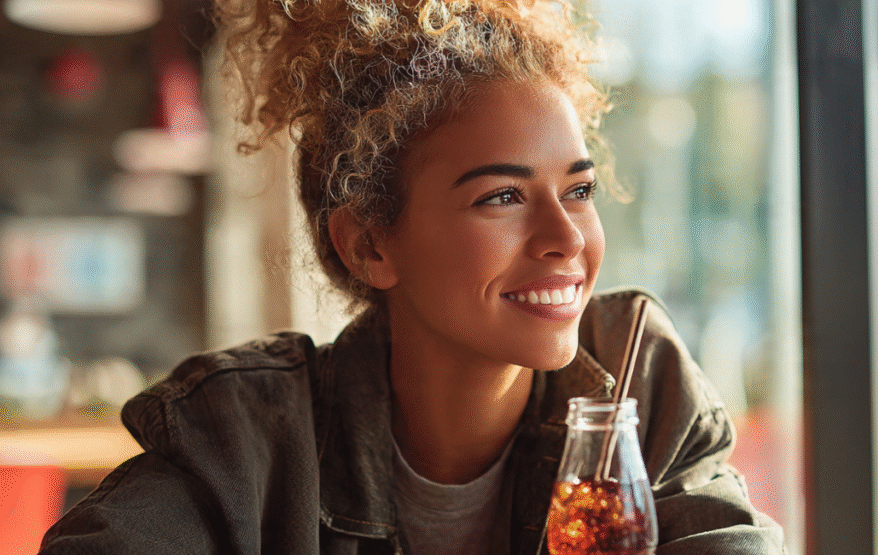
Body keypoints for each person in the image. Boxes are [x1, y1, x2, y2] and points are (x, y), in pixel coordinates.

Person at [40, 0, 785, 553]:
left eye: (579, 190)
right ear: (369, 245)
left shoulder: (634, 385)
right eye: (502, 197)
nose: (567, 238)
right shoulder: (247, 440)